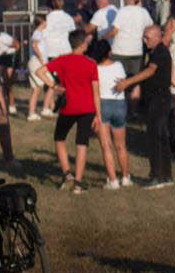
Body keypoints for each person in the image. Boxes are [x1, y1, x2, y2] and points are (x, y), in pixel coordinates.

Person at [116, 25, 175, 189]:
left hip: (159, 98)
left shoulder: (160, 52)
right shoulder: (150, 51)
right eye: (143, 37)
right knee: (161, 137)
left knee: (155, 137)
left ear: (157, 37)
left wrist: (128, 82)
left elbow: (150, 71)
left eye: (147, 37)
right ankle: (166, 175)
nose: (144, 40)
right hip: (154, 97)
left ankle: (156, 176)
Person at [46, 30, 100, 194]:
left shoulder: (62, 60)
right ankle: (78, 182)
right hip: (88, 108)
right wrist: (99, 115)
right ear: (83, 44)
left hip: (69, 106)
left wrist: (54, 86)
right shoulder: (91, 63)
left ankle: (67, 173)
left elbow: (40, 71)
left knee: (59, 137)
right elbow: (96, 92)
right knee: (81, 143)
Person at [93, 43, 130, 190]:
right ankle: (126, 176)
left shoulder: (95, 69)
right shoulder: (119, 65)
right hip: (119, 104)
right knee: (121, 145)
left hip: (103, 104)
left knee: (106, 145)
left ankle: (113, 180)